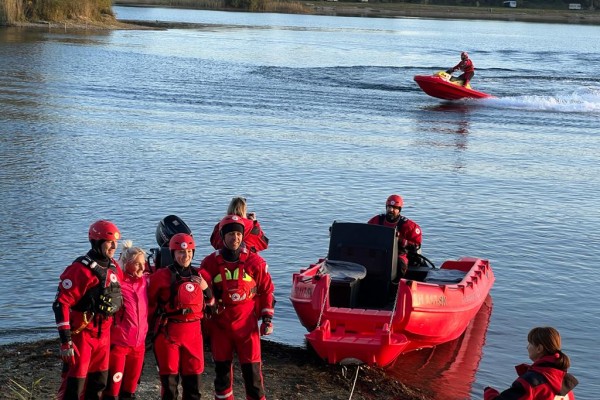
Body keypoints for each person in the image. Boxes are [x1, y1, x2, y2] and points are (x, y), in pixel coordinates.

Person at [200, 215, 275, 400]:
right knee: (222, 375)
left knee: (253, 376)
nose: (235, 238)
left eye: (238, 234)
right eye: (231, 234)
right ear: (223, 237)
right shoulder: (209, 263)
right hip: (220, 326)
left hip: (247, 326)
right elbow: (200, 294)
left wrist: (267, 320)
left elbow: (267, 291)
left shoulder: (255, 263)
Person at [53, 220, 124, 400]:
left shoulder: (114, 267)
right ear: (97, 241)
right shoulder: (80, 270)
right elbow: (60, 303)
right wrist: (65, 341)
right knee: (74, 387)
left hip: (104, 336)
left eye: (116, 242)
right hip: (82, 335)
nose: (114, 246)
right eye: (110, 242)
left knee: (98, 384)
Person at [147, 232, 214, 400]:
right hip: (169, 334)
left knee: (193, 385)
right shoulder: (160, 277)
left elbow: (213, 307)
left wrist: (206, 289)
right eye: (181, 252)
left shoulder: (201, 276)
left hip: (193, 334)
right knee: (169, 385)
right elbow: (149, 306)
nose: (186, 256)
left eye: (189, 252)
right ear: (173, 254)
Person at [102, 241, 148, 400]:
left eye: (143, 263)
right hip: (119, 345)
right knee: (113, 390)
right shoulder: (118, 284)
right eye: (136, 264)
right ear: (127, 264)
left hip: (139, 346)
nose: (142, 268)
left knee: (130, 390)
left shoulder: (145, 282)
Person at [484, 327, 578, 400]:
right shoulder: (565, 383)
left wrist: (489, 391)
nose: (527, 347)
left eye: (530, 343)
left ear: (539, 349)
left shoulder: (531, 382)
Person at [367, 194, 422, 276]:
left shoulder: (409, 226)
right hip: (378, 251)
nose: (391, 210)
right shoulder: (376, 220)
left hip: (398, 253)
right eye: (389, 207)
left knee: (400, 265)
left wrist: (402, 241)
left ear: (399, 210)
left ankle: (397, 285)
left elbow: (417, 245)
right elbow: (365, 234)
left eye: (395, 208)